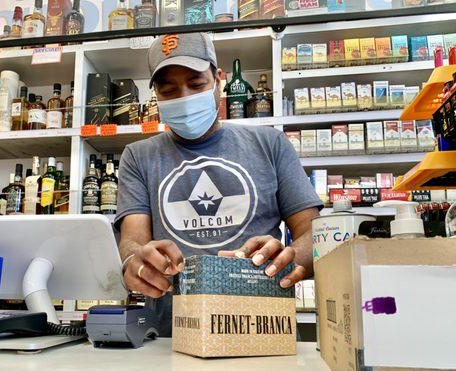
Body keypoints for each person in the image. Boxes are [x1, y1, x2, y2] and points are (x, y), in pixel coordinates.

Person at [114, 33, 323, 337]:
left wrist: (286, 257)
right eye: (169, 90)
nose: (184, 98)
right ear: (155, 94)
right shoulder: (138, 156)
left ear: (219, 79)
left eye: (196, 85)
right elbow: (132, 240)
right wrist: (136, 262)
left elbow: (314, 233)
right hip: (171, 334)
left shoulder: (271, 144)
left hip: (260, 329)